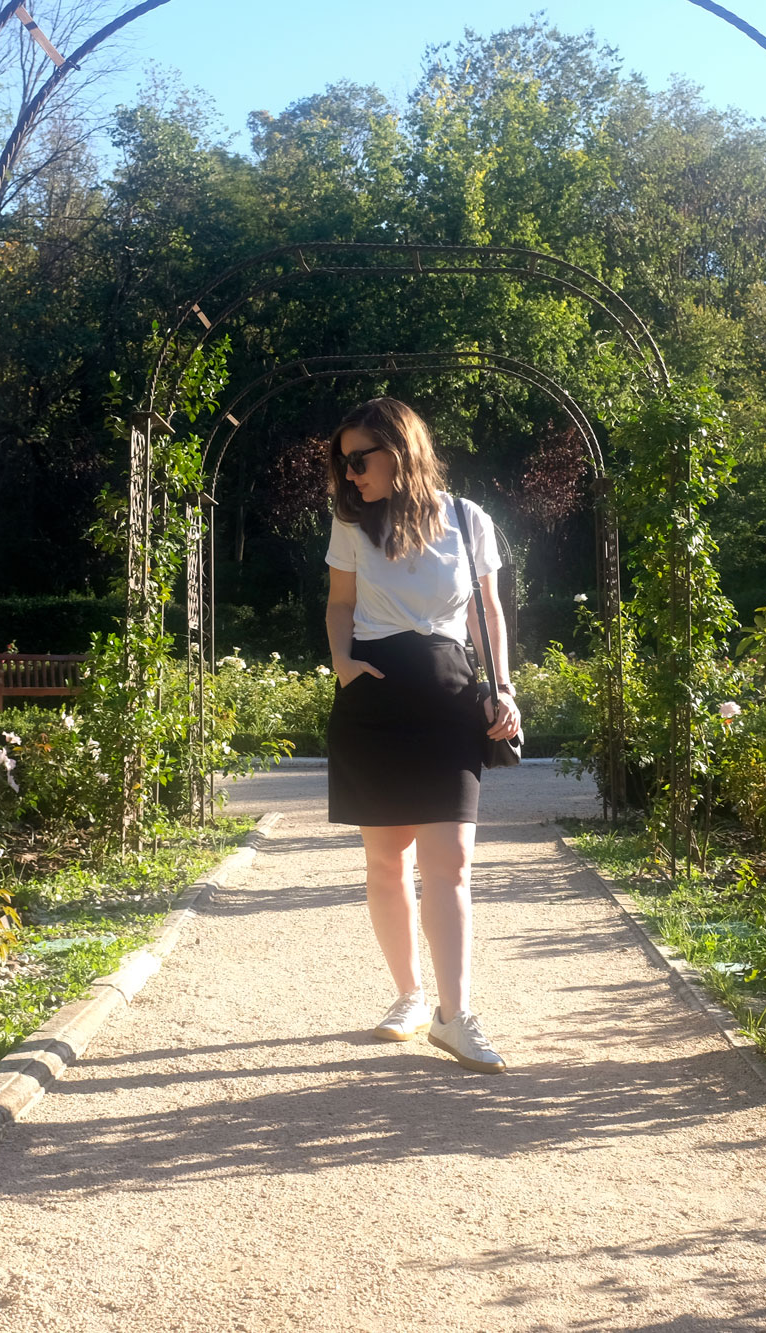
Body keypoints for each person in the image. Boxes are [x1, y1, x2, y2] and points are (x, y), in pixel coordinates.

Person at [323, 397, 521, 1074]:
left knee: (451, 862)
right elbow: (340, 602)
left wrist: (503, 688)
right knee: (386, 860)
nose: (349, 475)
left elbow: (487, 613)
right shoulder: (350, 523)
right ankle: (408, 995)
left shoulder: (468, 518)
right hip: (374, 699)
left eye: (359, 459)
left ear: (400, 451)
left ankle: (454, 1014)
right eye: (342, 462)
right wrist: (344, 664)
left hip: (448, 697)